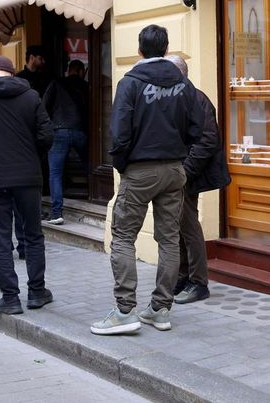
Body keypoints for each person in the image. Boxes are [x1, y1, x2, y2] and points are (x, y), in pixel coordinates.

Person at [90, 24, 203, 335]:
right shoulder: (182, 82)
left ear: (139, 50)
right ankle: (160, 309)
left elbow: (119, 132)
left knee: (124, 237)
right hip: (174, 169)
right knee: (169, 239)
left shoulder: (130, 83)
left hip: (140, 170)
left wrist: (122, 165)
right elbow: (197, 127)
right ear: (166, 50)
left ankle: (125, 311)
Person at [0, 55, 54, 314]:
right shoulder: (31, 96)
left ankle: (10, 298)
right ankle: (37, 293)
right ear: (12, 73)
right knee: (34, 235)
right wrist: (31, 154)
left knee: (1, 238)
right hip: (28, 176)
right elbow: (47, 135)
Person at [164, 55, 230, 304]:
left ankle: (199, 282)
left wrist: (185, 171)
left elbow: (207, 141)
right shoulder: (179, 97)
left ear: (178, 74)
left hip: (187, 173)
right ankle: (183, 277)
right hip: (179, 172)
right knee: (179, 225)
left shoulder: (196, 99)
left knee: (188, 225)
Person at [42, 59, 90, 225]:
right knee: (89, 165)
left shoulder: (56, 83)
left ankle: (56, 213)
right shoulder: (86, 86)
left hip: (59, 130)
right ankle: (96, 196)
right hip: (80, 131)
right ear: (80, 71)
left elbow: (44, 107)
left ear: (69, 70)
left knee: (55, 173)